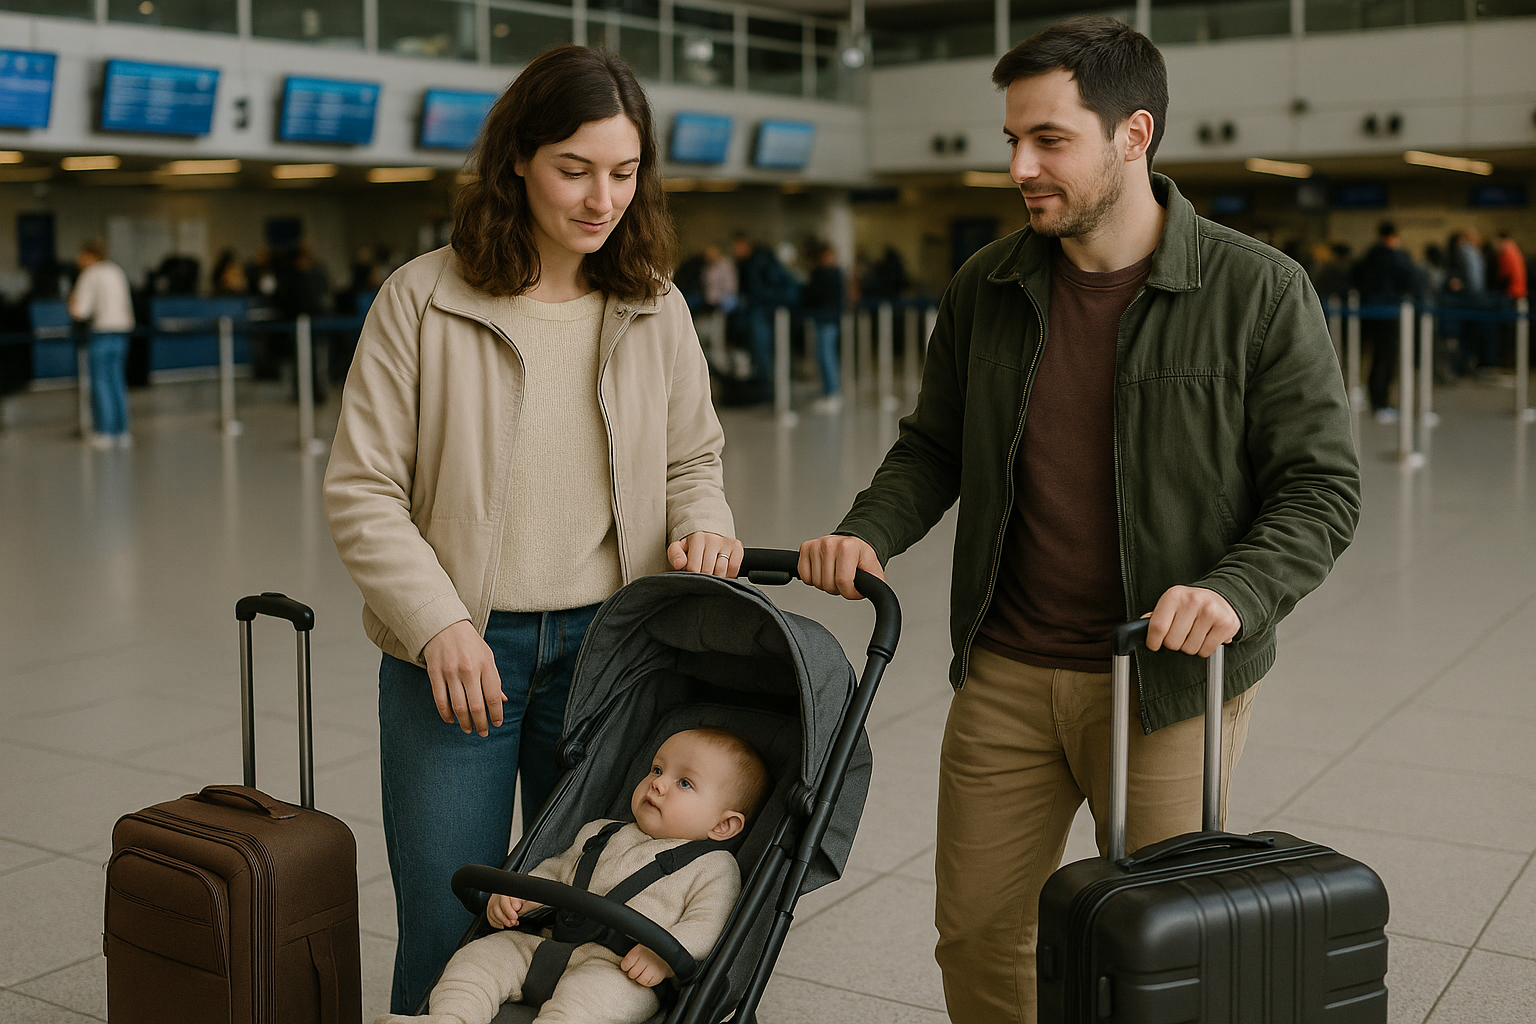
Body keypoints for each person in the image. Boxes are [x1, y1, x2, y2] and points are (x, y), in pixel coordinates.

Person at [796, 18, 1360, 1024]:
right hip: (1006, 670)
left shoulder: (1257, 289)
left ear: (1133, 134)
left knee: (1160, 951)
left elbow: (1321, 487)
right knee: (979, 935)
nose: (1020, 166)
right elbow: (934, 445)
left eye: (1049, 140)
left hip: (1166, 679)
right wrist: (868, 529)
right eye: (1014, 139)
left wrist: (1233, 591)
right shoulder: (988, 284)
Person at [323, 45, 743, 1015]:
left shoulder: (654, 304)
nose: (603, 199)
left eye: (624, 173)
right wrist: (438, 623)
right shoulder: (423, 299)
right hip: (457, 654)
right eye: (575, 169)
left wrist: (705, 523)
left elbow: (693, 459)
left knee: (588, 914)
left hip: (610, 650)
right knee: (448, 920)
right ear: (517, 159)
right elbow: (363, 489)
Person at [373, 728, 768, 1024]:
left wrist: (665, 956)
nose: (658, 784)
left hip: (621, 969)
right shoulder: (601, 831)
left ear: (724, 825)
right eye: (657, 769)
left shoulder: (714, 866)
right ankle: (450, 1019)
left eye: (684, 783)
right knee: (479, 958)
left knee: (587, 1004)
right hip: (547, 943)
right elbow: (556, 874)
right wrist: (518, 899)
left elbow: (708, 925)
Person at [68, 239, 136, 449]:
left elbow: (81, 311)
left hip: (102, 333)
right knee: (117, 380)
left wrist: (72, 302)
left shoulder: (90, 274)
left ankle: (105, 431)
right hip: (122, 332)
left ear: (89, 256)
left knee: (101, 383)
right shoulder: (116, 271)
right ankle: (122, 431)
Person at [1351, 221, 1421, 422]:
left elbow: (1357, 277)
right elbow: (1410, 280)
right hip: (1390, 312)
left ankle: (1376, 398)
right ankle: (1381, 402)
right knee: (1386, 359)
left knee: (1375, 356)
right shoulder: (1397, 257)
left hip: (1371, 312)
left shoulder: (1370, 255)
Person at [801, 242, 846, 413]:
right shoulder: (833, 273)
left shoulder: (827, 274)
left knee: (827, 356)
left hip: (827, 319)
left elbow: (814, 294)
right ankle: (829, 391)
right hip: (825, 319)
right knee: (824, 356)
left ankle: (832, 392)